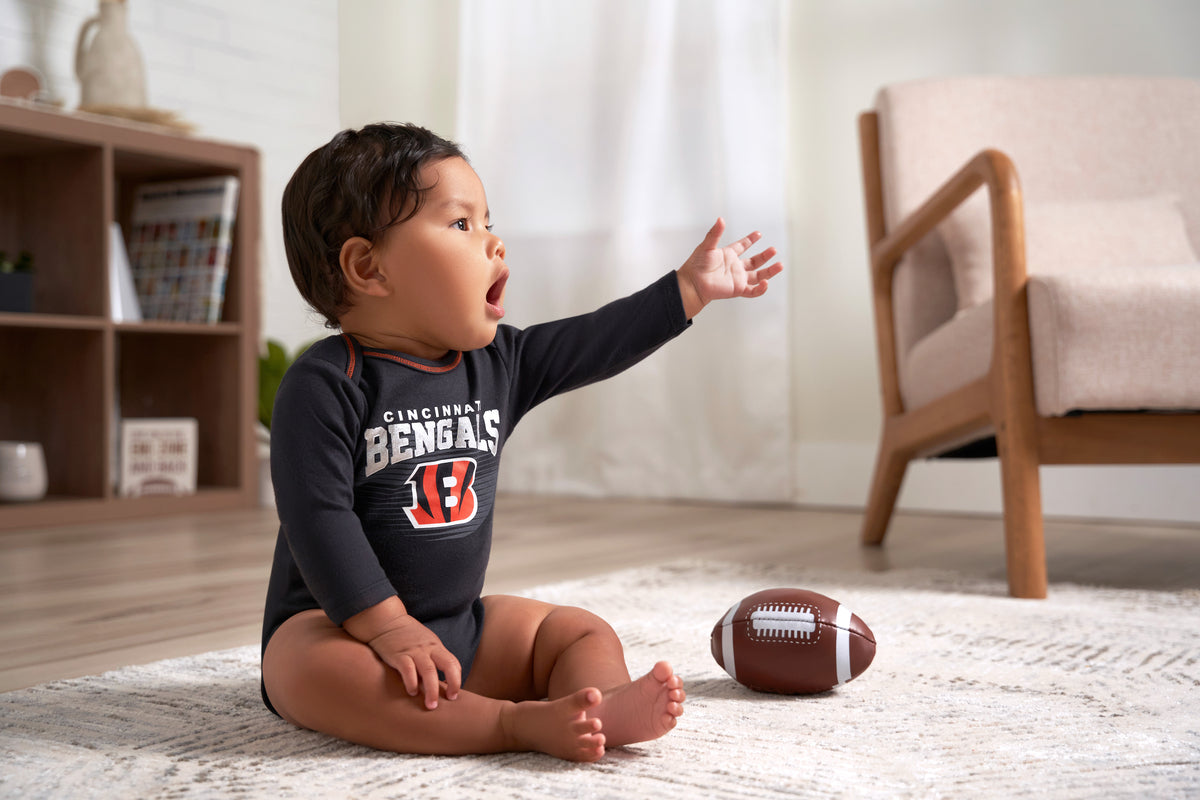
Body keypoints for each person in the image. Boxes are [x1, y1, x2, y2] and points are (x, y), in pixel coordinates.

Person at [261, 122, 783, 762]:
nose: (492, 240)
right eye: (461, 225)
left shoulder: (497, 366)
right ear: (369, 267)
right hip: (342, 629)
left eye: (488, 221)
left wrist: (688, 289)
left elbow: (594, 341)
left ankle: (597, 705)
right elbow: (319, 519)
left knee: (574, 630)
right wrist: (388, 627)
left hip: (459, 628)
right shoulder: (327, 384)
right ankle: (509, 725)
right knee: (300, 669)